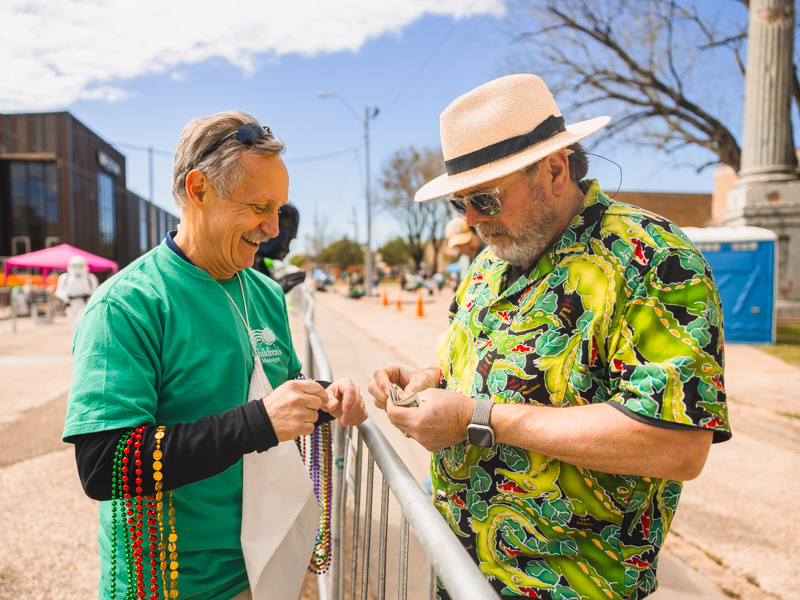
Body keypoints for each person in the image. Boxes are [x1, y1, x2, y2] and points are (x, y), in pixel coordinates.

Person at [369, 74, 730, 600]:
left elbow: (677, 444)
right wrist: (426, 380)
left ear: (555, 170)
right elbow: (484, 369)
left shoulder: (652, 258)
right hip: (461, 573)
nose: (471, 220)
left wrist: (476, 419)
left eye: (485, 200)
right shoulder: (487, 267)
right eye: (459, 204)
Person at [62, 111, 368, 600]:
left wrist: (327, 397)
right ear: (199, 190)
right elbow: (103, 464)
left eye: (280, 207)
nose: (273, 227)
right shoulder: (128, 305)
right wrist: (258, 423)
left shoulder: (266, 294)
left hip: (265, 570)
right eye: (258, 206)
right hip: (167, 586)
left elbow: (276, 391)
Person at [55, 255, 99, 327]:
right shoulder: (65, 277)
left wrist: (89, 295)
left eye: (80, 265)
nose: (77, 268)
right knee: (73, 324)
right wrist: (65, 296)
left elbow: (96, 291)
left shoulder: (90, 278)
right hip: (70, 304)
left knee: (81, 323)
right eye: (75, 266)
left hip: (84, 304)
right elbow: (59, 291)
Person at [444, 217, 485, 284]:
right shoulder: (464, 260)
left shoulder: (494, 254)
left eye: (467, 242)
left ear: (476, 231)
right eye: (458, 246)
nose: (465, 248)